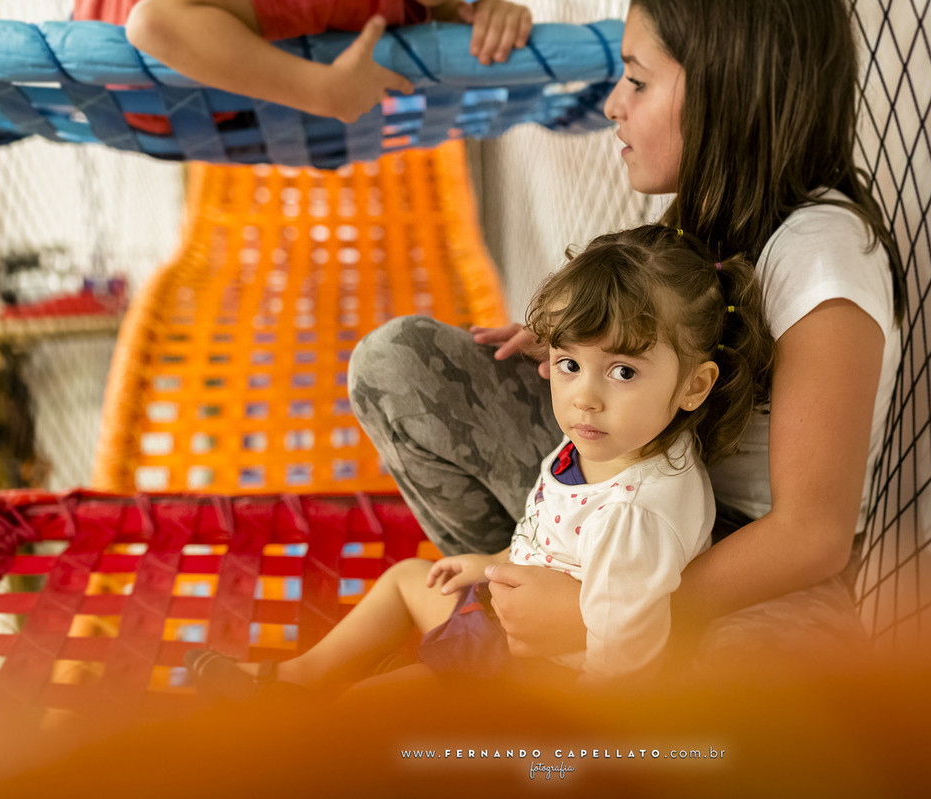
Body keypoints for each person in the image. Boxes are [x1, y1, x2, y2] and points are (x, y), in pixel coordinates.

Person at [349, 0, 907, 670]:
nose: (614, 105)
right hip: (628, 482)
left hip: (746, 561)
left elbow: (811, 537)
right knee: (399, 366)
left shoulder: (823, 256)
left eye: (637, 81)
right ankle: (516, 614)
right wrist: (572, 346)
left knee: (758, 697)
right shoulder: (710, 209)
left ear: (729, 89)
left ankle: (560, 645)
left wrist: (599, 615)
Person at [186, 225, 768, 695]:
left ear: (695, 386)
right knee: (407, 580)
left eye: (623, 372)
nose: (584, 396)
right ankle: (293, 678)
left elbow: (625, 663)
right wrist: (488, 563)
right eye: (569, 364)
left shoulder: (634, 516)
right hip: (506, 613)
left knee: (366, 705)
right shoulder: (606, 440)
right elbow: (548, 533)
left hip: (531, 674)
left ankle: (303, 719)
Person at [124, 0, 533, 124]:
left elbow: (434, 9)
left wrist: (482, 11)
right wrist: (322, 92)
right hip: (144, 91)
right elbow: (151, 23)